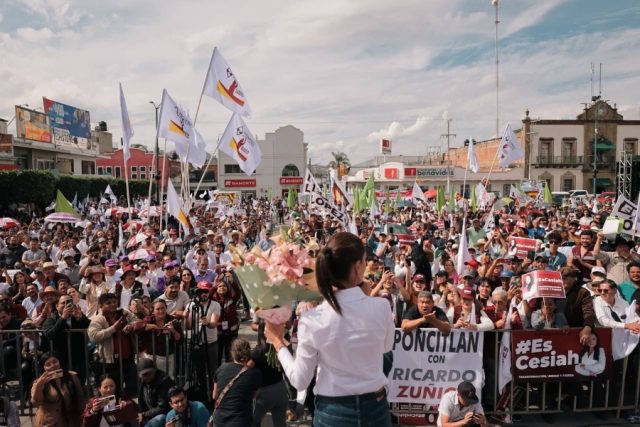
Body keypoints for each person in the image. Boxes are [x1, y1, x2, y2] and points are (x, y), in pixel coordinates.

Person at [265, 232, 395, 427]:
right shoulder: (381, 307)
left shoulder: (312, 319)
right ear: (358, 266)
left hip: (334, 411)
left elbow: (300, 381)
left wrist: (277, 343)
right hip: (374, 407)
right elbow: (386, 347)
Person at [87, 293, 140, 396]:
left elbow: (137, 321)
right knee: (114, 390)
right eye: (108, 303)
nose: (113, 304)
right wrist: (113, 328)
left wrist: (131, 326)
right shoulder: (98, 319)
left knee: (133, 389)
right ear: (101, 306)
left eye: (114, 302)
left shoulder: (124, 313)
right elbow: (93, 336)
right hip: (110, 362)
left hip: (128, 359)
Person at [211, 338, 262, 427]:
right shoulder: (255, 373)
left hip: (220, 420)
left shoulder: (221, 369)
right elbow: (255, 395)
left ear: (232, 353)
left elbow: (214, 396)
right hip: (241, 420)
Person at [42, 292, 90, 384]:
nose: (66, 305)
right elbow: (50, 334)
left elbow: (89, 327)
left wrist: (81, 318)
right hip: (60, 360)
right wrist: (63, 318)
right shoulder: (51, 319)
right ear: (56, 306)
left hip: (78, 359)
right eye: (63, 303)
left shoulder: (76, 316)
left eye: (69, 302)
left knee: (79, 385)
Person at [30, 352, 84, 427]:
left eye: (55, 362)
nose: (53, 366)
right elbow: (36, 402)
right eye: (48, 365)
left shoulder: (71, 377)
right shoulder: (38, 382)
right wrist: (39, 385)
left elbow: (80, 399)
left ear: (59, 362)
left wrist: (81, 420)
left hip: (68, 422)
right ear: (43, 368)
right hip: (47, 423)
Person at [137, 358, 175, 427]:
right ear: (140, 375)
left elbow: (163, 407)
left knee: (157, 420)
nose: (147, 376)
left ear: (155, 370)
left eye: (150, 373)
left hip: (165, 415)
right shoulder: (142, 381)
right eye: (144, 374)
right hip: (150, 414)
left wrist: (144, 414)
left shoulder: (163, 382)